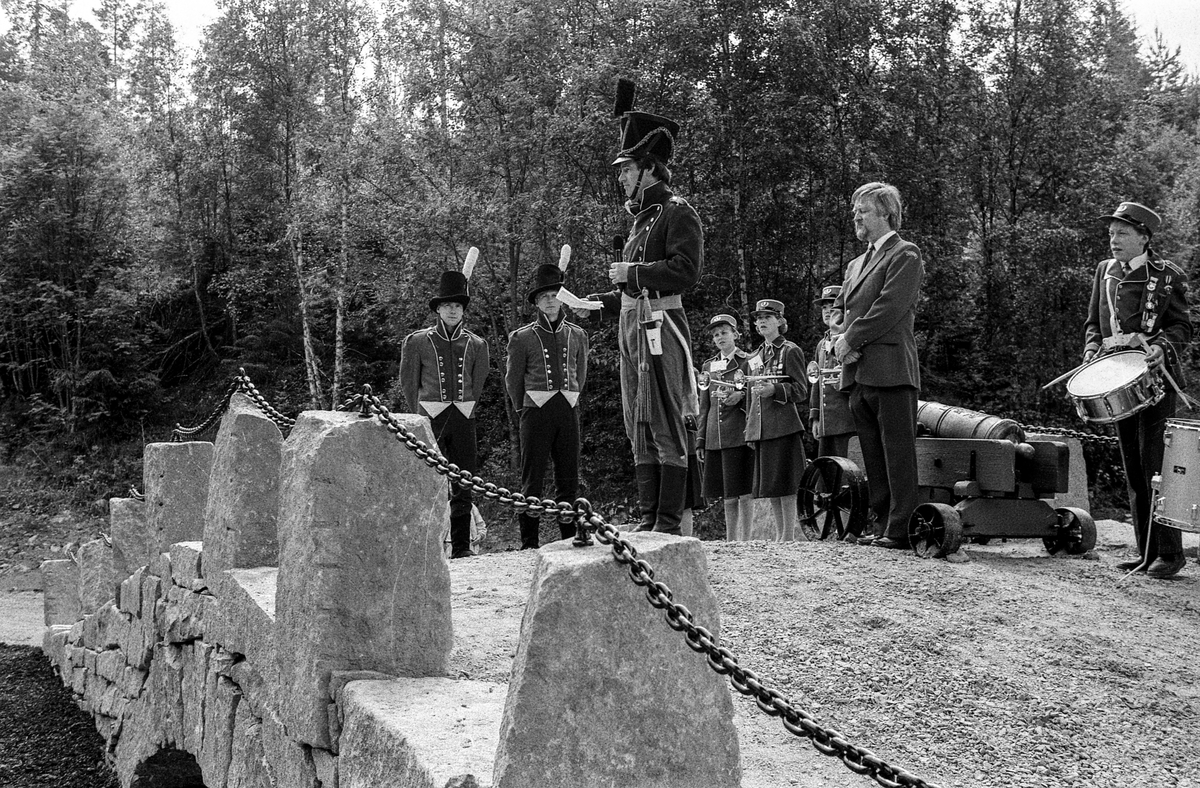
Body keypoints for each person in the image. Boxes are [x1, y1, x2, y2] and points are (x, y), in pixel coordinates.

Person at [581, 78, 703, 535]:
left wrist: (631, 275)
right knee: (639, 417)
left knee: (667, 415)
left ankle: (669, 520)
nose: (622, 177)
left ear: (649, 168)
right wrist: (599, 305)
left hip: (663, 325)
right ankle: (650, 516)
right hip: (632, 326)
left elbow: (685, 271)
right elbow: (633, 290)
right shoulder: (641, 220)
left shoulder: (677, 212)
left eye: (627, 169)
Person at [1083, 201, 1193, 579]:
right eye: (1111, 233)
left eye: (1122, 233)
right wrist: (1090, 351)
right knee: (1132, 465)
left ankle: (1170, 553)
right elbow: (1093, 325)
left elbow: (1183, 328)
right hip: (1115, 377)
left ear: (1144, 237)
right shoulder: (1104, 272)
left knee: (1155, 467)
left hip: (1154, 377)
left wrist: (1163, 346)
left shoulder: (1166, 277)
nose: (1113, 240)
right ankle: (1145, 552)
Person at [833, 182, 923, 549]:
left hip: (891, 369)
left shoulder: (906, 255)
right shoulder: (856, 263)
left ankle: (902, 528)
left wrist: (850, 340)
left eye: (863, 210)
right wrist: (842, 341)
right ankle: (883, 522)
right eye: (854, 210)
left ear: (886, 214)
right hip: (858, 372)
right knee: (871, 451)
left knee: (897, 451)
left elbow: (889, 308)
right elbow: (841, 310)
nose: (855, 216)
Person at [399, 257, 490, 558]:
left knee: (463, 482)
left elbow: (478, 384)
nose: (453, 310)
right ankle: (429, 549)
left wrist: (467, 406)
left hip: (463, 416)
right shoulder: (417, 342)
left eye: (458, 306)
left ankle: (462, 547)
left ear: (463, 310)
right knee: (431, 484)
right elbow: (409, 384)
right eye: (448, 305)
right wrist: (419, 416)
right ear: (438, 308)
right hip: (431, 418)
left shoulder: (477, 344)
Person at [505, 262, 589, 549]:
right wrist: (524, 408)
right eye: (545, 297)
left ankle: (569, 538)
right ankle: (530, 541)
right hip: (535, 410)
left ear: (563, 298)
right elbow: (513, 379)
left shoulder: (577, 334)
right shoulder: (522, 337)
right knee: (533, 477)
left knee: (569, 475)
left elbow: (581, 372)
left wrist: (572, 396)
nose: (551, 301)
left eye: (555, 295)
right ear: (537, 304)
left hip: (567, 408)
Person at [744, 299, 808, 541]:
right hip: (763, 428)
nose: (761, 321)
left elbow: (801, 390)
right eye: (758, 318)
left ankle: (789, 535)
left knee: (787, 482)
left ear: (780, 321)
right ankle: (781, 536)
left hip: (784, 426)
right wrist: (750, 430)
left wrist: (776, 390)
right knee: (770, 484)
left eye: (767, 317)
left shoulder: (790, 350)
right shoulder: (756, 356)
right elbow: (752, 397)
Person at [696, 313, 754, 540]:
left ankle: (747, 538)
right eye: (716, 335)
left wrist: (741, 395)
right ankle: (731, 539)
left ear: (735, 334)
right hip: (715, 434)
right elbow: (704, 405)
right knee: (727, 493)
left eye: (724, 333)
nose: (720, 338)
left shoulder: (748, 360)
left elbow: (757, 394)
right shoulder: (708, 365)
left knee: (744, 489)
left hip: (739, 432)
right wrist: (701, 439)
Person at [808, 285, 856, 459]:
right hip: (827, 422)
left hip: (849, 419)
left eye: (832, 306)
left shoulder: (852, 338)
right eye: (824, 308)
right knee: (827, 474)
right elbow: (816, 381)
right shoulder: (822, 344)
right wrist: (815, 417)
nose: (827, 312)